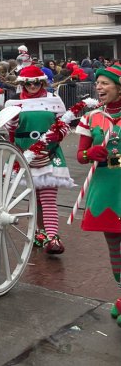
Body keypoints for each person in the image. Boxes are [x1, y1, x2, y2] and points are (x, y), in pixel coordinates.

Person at [5, 65, 74, 254]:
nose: (33, 86)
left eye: (36, 82)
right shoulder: (14, 101)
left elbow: (65, 124)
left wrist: (58, 135)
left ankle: (52, 238)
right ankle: (38, 233)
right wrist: (12, 123)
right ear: (22, 84)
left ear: (42, 81)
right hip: (25, 154)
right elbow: (9, 130)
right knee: (34, 197)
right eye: (28, 83)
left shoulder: (53, 100)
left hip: (49, 154)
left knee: (48, 197)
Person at [75, 64, 121, 326]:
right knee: (114, 246)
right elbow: (80, 156)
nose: (99, 88)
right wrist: (90, 154)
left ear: (118, 87)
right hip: (105, 187)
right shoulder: (92, 117)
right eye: (98, 83)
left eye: (105, 83)